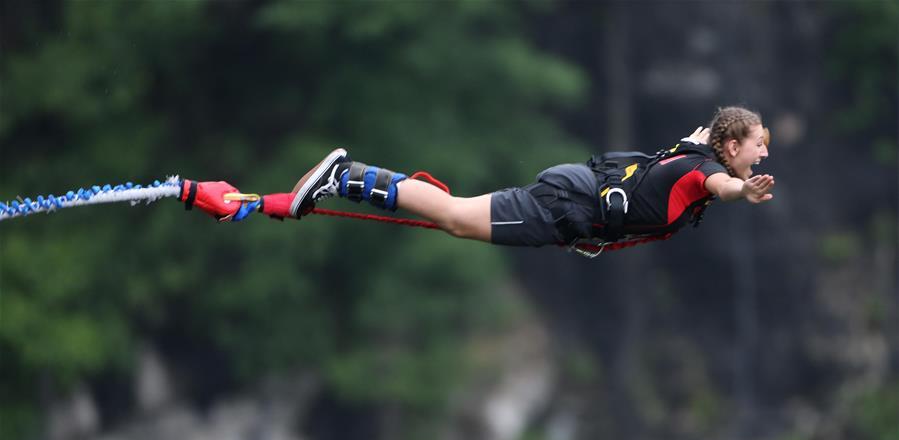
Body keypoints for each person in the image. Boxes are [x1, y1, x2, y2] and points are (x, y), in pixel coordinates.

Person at [180, 106, 773, 254]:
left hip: (574, 191)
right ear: (728, 148)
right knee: (456, 217)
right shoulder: (705, 173)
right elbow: (716, 185)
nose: (764, 155)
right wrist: (740, 190)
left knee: (456, 220)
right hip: (569, 205)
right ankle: (345, 175)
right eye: (757, 145)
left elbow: (703, 136)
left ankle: (347, 179)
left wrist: (725, 150)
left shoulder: (694, 145)